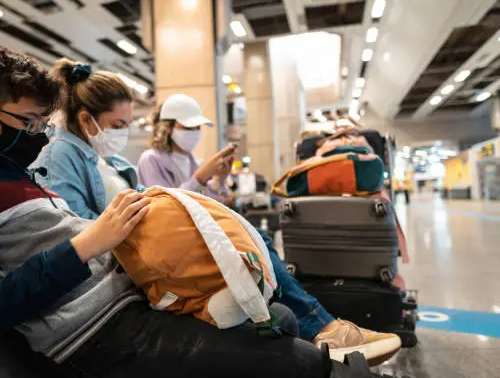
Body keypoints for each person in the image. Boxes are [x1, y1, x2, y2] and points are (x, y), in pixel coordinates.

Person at [0, 44, 380, 378]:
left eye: (44, 124)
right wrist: (87, 244)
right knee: (300, 363)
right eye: (29, 123)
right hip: (96, 333)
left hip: (133, 304)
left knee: (277, 321)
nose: (40, 136)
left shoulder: (31, 184)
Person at [33, 62, 401, 366]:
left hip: (160, 244)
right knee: (252, 256)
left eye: (129, 125)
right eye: (118, 126)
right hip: (142, 264)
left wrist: (210, 187)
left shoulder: (111, 162)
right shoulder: (67, 156)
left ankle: (322, 327)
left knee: (256, 247)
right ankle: (323, 329)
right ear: (86, 120)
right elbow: (82, 233)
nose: (124, 134)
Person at [138, 94, 235, 205]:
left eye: (197, 127)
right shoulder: (150, 160)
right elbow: (165, 204)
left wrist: (219, 180)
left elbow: (208, 203)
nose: (194, 132)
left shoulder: (195, 163)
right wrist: (199, 178)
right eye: (188, 127)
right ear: (168, 127)